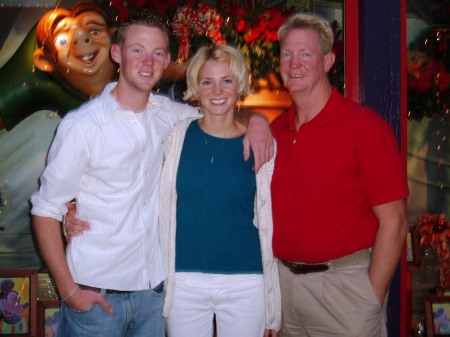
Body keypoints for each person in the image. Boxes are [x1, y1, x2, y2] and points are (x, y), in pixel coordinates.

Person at [31, 12, 273, 337]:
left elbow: (220, 109)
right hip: (96, 297)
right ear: (117, 54)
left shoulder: (169, 115)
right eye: (137, 50)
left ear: (167, 60)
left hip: (155, 298)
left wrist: (258, 120)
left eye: (158, 53)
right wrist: (69, 290)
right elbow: (46, 210)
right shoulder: (82, 126)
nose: (148, 61)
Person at [270, 12, 409, 337]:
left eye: (306, 54)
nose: (294, 63)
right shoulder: (276, 131)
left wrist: (369, 299)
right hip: (284, 291)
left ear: (329, 60)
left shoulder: (364, 129)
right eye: (287, 54)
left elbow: (396, 222)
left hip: (343, 293)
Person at [158, 44, 280, 337]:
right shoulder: (176, 137)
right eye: (207, 82)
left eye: (226, 80)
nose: (217, 90)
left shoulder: (262, 145)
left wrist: (258, 119)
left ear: (239, 84)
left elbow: (271, 218)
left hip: (246, 282)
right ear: (196, 88)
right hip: (184, 281)